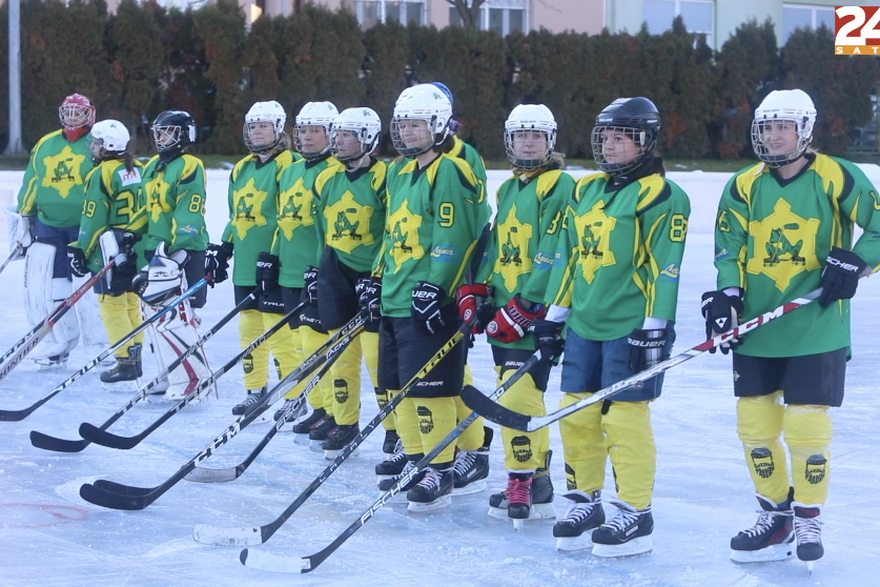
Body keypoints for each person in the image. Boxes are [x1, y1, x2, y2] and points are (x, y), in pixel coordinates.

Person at [701, 88, 880, 567]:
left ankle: (808, 515)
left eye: (784, 127)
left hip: (816, 324)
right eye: (766, 127)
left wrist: (857, 262)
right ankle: (775, 513)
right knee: (754, 426)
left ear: (806, 130)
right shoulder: (743, 185)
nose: (774, 136)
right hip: (759, 326)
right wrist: (726, 296)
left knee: (806, 424)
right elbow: (728, 246)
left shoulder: (837, 176)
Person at [533, 96, 690, 556]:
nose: (612, 145)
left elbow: (667, 266)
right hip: (584, 322)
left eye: (623, 137)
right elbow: (570, 258)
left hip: (632, 326)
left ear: (646, 141)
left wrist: (655, 326)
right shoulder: (584, 190)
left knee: (624, 419)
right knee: (576, 414)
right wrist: (554, 316)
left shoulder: (663, 194)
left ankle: (635, 512)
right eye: (606, 136)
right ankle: (586, 500)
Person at [370, 83, 489, 512]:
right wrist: (377, 277)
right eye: (403, 125)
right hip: (394, 294)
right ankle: (418, 454)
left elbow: (452, 237)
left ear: (438, 125)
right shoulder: (399, 172)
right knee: (398, 385)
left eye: (417, 125)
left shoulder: (451, 170)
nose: (408, 133)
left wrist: (436, 286)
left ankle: (439, 467)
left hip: (425, 296)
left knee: (431, 390)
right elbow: (392, 231)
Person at [456, 104, 574, 525]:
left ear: (550, 141)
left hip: (531, 311)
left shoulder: (557, 185)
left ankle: (520, 477)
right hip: (503, 310)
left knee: (518, 395)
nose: (528, 142)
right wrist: (479, 288)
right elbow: (498, 245)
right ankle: (538, 478)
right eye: (521, 135)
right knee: (516, 391)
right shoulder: (508, 189)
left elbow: (554, 249)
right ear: (509, 140)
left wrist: (526, 306)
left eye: (536, 136)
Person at [205, 101, 302, 417]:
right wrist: (224, 248)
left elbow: (289, 216)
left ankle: (294, 393)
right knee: (250, 331)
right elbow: (236, 215)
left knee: (280, 332)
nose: (257, 131)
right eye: (252, 126)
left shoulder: (290, 164)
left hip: (276, 264)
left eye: (263, 125)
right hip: (246, 266)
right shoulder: (243, 167)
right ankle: (254, 390)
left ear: (278, 128)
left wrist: (273, 257)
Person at [258, 101, 342, 448]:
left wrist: (322, 270)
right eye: (303, 130)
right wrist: (271, 258)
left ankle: (337, 413)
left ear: (331, 135)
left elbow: (330, 230)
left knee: (322, 349)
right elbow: (283, 220)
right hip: (290, 273)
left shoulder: (334, 171)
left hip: (318, 275)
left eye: (315, 131)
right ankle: (319, 407)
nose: (306, 137)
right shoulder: (290, 170)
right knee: (299, 346)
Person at [308, 106, 388, 459]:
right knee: (340, 355)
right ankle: (345, 422)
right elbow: (320, 229)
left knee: (377, 358)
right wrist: (317, 268)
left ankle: (395, 429)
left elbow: (393, 229)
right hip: (336, 271)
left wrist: (380, 276)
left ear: (367, 138)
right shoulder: (326, 178)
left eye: (347, 135)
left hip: (373, 274)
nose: (338, 142)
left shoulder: (386, 177)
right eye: (337, 135)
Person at [15, 93, 98, 366]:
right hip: (48, 224)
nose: (72, 117)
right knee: (55, 284)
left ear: (89, 114)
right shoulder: (45, 144)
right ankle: (62, 341)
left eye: (78, 112)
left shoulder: (95, 144)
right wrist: (25, 216)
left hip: (85, 226)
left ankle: (101, 344)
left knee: (90, 287)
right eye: (68, 112)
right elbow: (32, 181)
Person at [135, 109, 211, 400]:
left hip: (181, 251)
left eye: (168, 131)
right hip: (154, 251)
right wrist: (131, 234)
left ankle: (193, 377)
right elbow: (146, 209)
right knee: (153, 313)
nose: (160, 137)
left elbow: (189, 208)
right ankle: (168, 373)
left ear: (184, 135)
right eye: (158, 131)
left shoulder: (189, 165)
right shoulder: (152, 166)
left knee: (178, 314)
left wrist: (178, 248)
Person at [68, 119, 147, 388]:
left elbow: (94, 218)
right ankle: (135, 354)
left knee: (111, 303)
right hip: (134, 245)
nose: (92, 146)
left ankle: (125, 360)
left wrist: (81, 249)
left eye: (97, 142)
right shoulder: (139, 168)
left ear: (109, 145)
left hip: (110, 248)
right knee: (130, 302)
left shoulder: (101, 173)